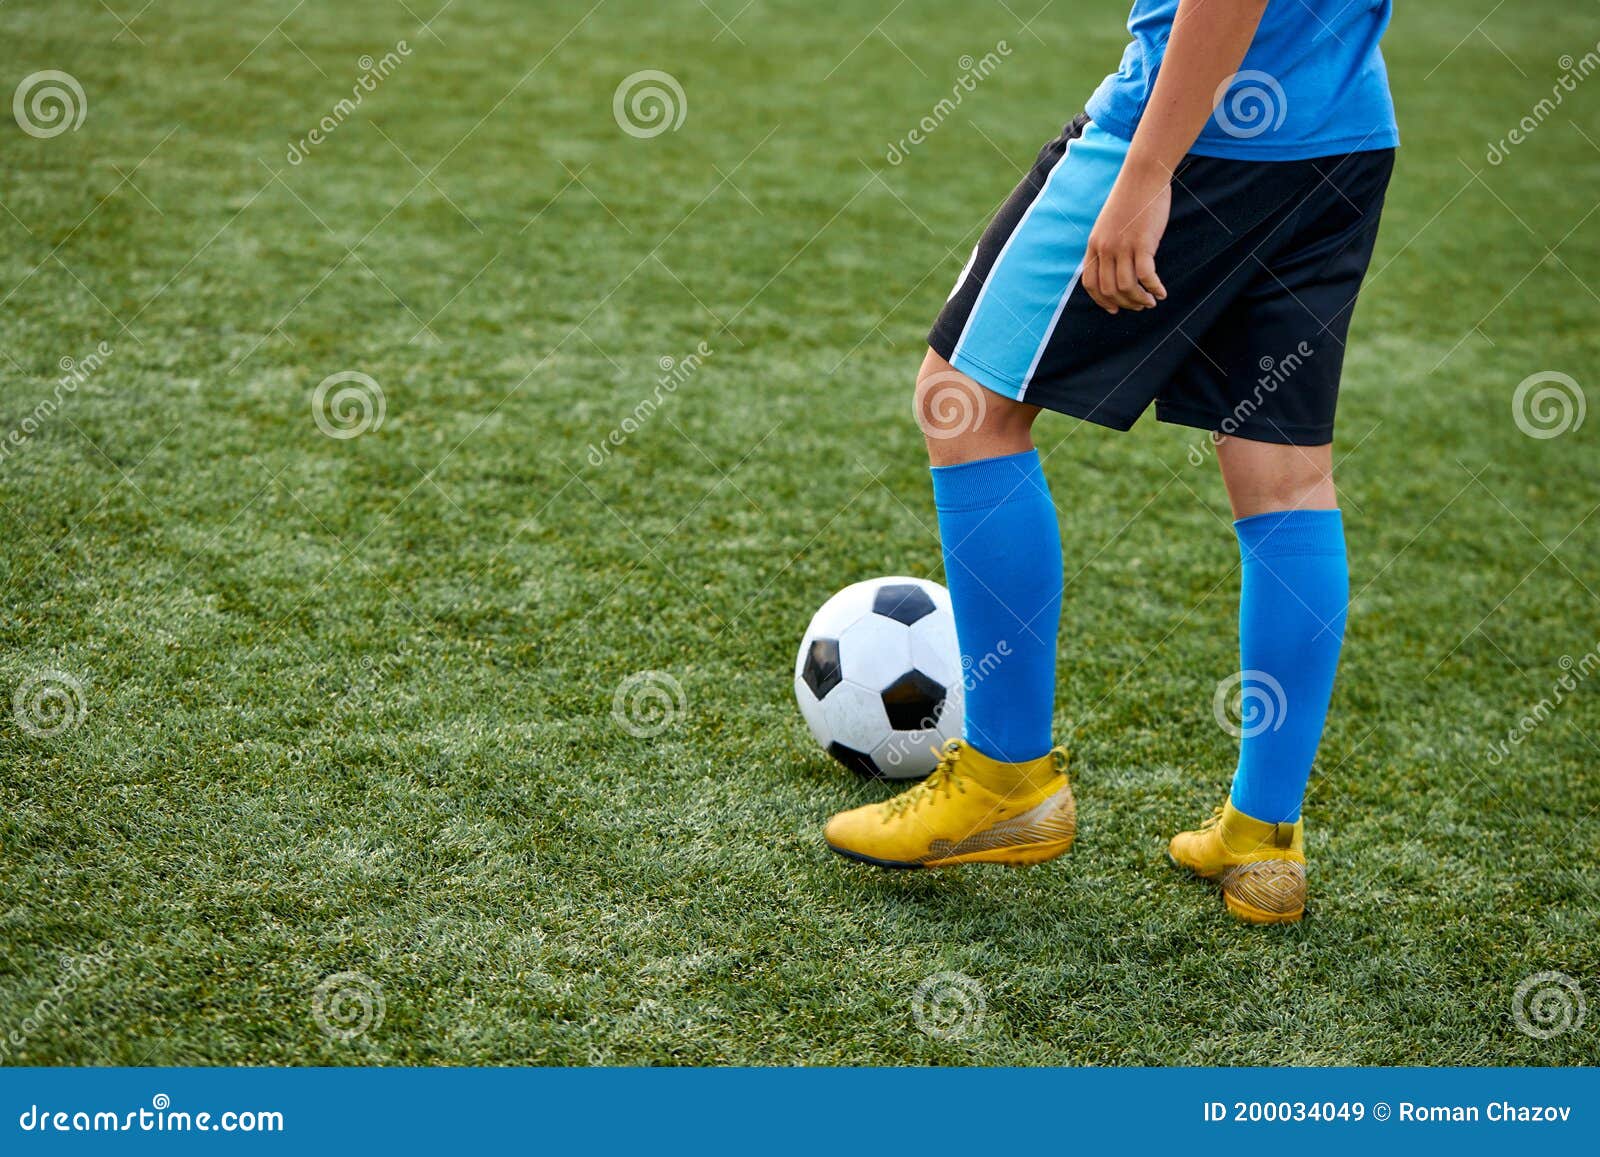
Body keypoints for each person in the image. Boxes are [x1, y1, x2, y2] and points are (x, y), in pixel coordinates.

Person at [823, 0, 1398, 924]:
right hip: (1342, 129)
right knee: (1286, 476)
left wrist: (1147, 169)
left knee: (962, 401)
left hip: (1205, 127)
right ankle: (1264, 837)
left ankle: (1008, 778)